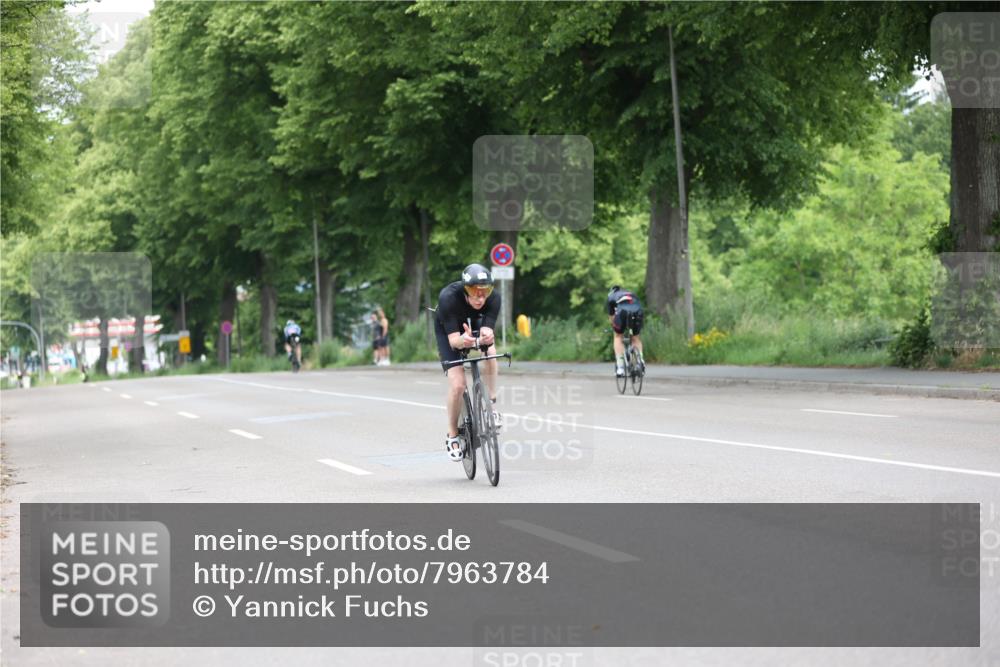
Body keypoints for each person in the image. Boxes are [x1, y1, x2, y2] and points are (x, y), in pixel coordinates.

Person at [435, 263, 502, 461]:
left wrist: (486, 336)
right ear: (465, 289)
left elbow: (487, 330)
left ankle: (491, 405)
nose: (480, 297)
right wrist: (464, 341)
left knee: (491, 352)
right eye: (474, 291)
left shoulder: (494, 298)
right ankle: (452, 434)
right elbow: (454, 341)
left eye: (485, 291)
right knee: (458, 385)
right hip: (450, 331)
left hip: (474, 324)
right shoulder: (448, 298)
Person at [606, 285, 644, 377]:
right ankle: (640, 362)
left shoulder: (611, 297)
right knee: (635, 337)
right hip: (637, 311)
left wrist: (614, 326)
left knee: (618, 336)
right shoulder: (631, 294)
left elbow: (612, 317)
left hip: (622, 312)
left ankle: (620, 368)